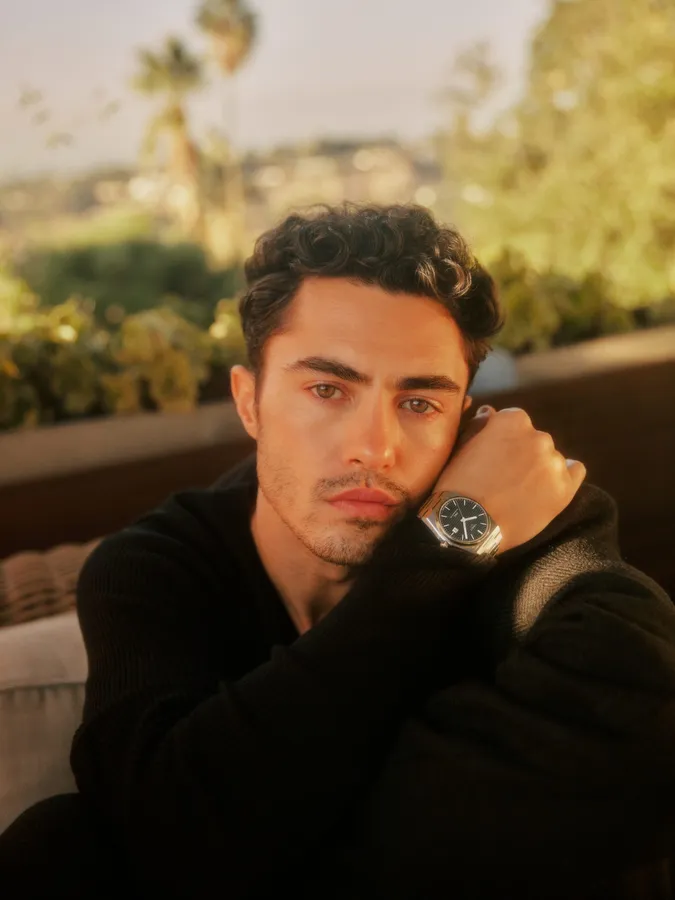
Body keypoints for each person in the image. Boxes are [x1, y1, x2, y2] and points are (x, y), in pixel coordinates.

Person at [2, 203, 675, 900]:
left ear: (466, 423)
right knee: (51, 851)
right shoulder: (156, 569)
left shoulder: (522, 513)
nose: (374, 447)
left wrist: (252, 847)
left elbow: (648, 721)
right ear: (249, 402)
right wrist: (453, 539)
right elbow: (166, 829)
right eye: (327, 389)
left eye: (419, 403)